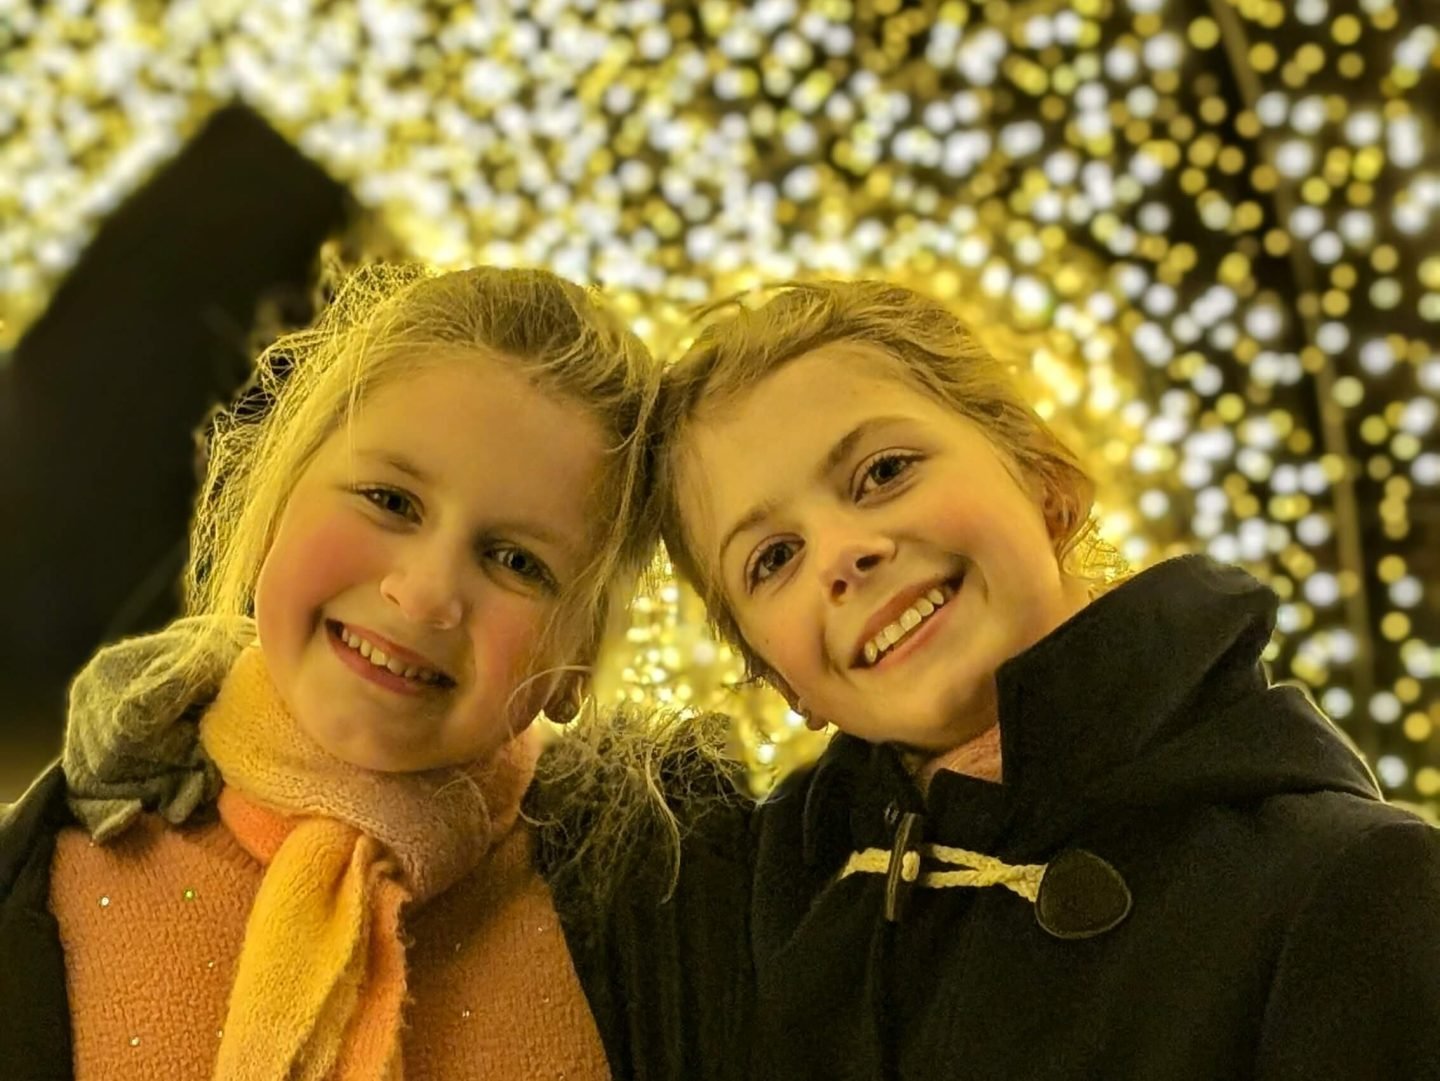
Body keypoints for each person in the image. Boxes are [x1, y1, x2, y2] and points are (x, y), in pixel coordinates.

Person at [651, 278, 1440, 1080]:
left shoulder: (1353, 887)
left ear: (1044, 480)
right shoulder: (759, 921)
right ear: (784, 682)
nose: (842, 553)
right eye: (773, 558)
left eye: (884, 470)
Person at [0, 264, 752, 1081]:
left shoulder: (680, 906)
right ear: (279, 500)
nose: (426, 593)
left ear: (580, 663)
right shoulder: (39, 876)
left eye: (516, 560)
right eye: (391, 501)